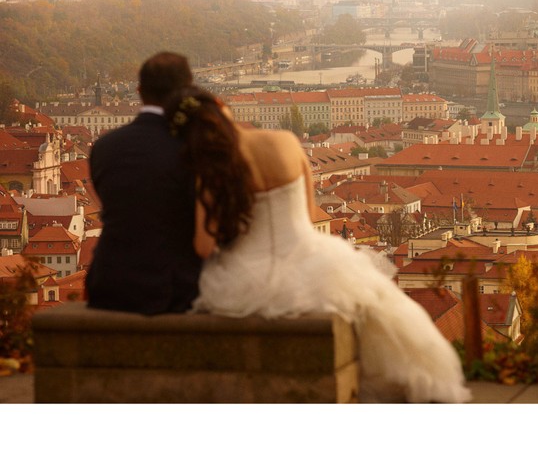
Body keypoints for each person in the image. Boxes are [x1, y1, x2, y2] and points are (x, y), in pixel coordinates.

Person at [165, 86, 471, 403]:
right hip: (313, 259)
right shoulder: (284, 141)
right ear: (222, 106)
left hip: (247, 274)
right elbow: (311, 212)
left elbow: (203, 245)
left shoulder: (212, 170)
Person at [86, 52, 202, 315]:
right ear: (187, 91)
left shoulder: (105, 147)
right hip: (178, 288)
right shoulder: (194, 146)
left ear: (139, 91)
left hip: (110, 284)